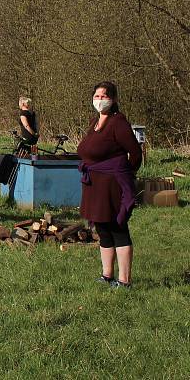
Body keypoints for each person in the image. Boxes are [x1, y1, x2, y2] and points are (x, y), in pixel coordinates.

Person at [77, 81, 142, 289]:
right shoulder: (94, 122)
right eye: (96, 96)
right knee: (103, 228)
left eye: (104, 96)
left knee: (117, 228)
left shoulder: (118, 122)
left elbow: (135, 153)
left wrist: (123, 174)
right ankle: (107, 275)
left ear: (113, 99)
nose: (99, 100)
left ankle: (124, 281)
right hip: (94, 185)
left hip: (112, 186)